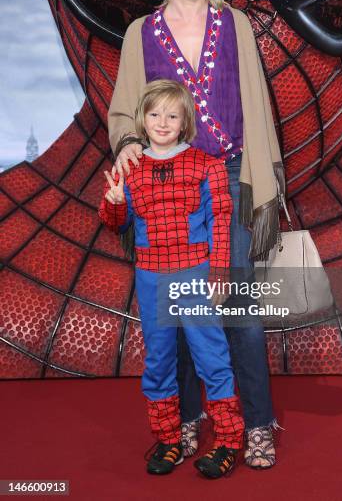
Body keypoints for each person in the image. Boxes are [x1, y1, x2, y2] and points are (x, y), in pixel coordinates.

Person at [108, 0, 285, 469]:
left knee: (235, 309)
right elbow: (123, 111)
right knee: (172, 311)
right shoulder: (141, 31)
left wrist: (264, 182)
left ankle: (256, 424)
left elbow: (255, 103)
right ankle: (183, 423)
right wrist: (129, 145)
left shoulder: (235, 25)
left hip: (228, 177)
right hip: (163, 187)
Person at [100, 79, 245, 478]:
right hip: (151, 279)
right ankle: (169, 440)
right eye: (154, 114)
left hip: (196, 274)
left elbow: (220, 223)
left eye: (172, 114)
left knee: (211, 358)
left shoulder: (207, 166)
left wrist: (218, 275)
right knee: (159, 361)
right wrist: (114, 205)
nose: (162, 122)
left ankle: (230, 442)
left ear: (184, 122)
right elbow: (117, 223)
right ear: (143, 121)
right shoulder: (129, 168)